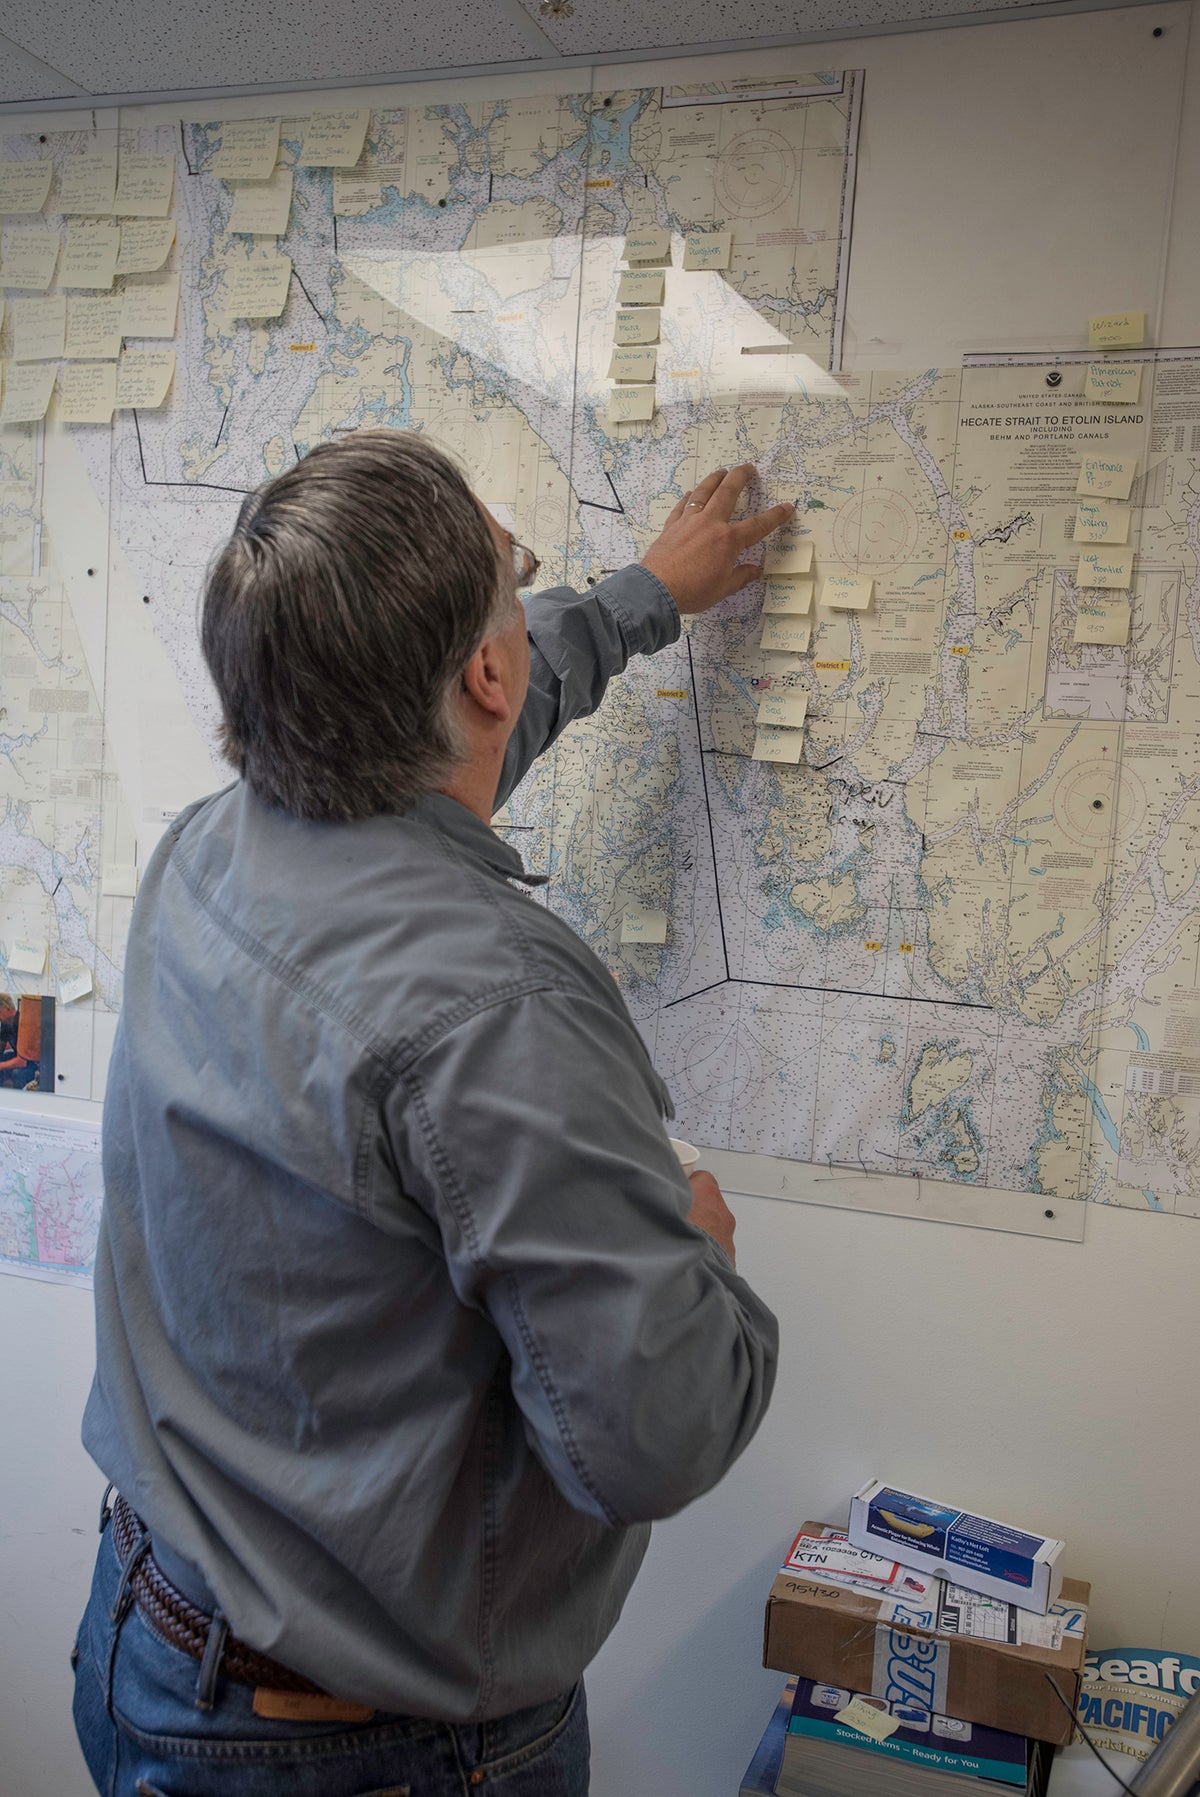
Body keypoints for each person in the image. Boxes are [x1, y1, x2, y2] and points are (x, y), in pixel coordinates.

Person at [73, 431, 787, 1797]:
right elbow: (658, 1433)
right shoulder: (492, 1001)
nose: (523, 618)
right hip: (364, 1755)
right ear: (482, 672)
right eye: (516, 581)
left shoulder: (213, 842)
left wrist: (643, 591)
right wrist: (698, 1251)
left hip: (149, 1651)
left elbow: (461, 751)